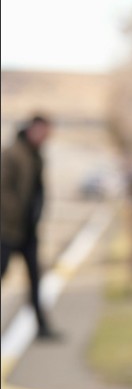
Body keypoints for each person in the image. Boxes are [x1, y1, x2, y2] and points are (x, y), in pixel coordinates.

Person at [1, 114, 58, 339]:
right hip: (8, 229)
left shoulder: (37, 156)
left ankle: (41, 327)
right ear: (32, 129)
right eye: (43, 131)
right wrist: (17, 215)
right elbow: (3, 191)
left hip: (28, 230)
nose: (46, 136)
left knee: (35, 279)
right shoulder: (12, 153)